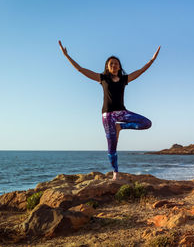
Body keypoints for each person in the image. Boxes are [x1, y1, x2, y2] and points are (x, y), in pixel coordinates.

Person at [59, 40, 160, 180]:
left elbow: (141, 71)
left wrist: (152, 60)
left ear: (119, 67)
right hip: (107, 116)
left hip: (122, 113)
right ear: (107, 66)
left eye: (116, 63)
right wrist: (66, 56)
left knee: (147, 123)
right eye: (111, 63)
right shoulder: (102, 78)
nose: (114, 65)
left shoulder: (125, 79)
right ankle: (115, 172)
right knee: (112, 147)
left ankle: (121, 127)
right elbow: (81, 70)